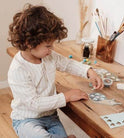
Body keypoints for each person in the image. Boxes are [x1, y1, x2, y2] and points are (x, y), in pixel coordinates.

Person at [8, 4, 104, 138]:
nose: (51, 49)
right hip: (26, 120)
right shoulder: (18, 69)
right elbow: (34, 104)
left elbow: (67, 64)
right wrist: (67, 96)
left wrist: (89, 71)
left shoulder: (49, 56)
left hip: (50, 116)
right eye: (48, 46)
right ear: (30, 43)